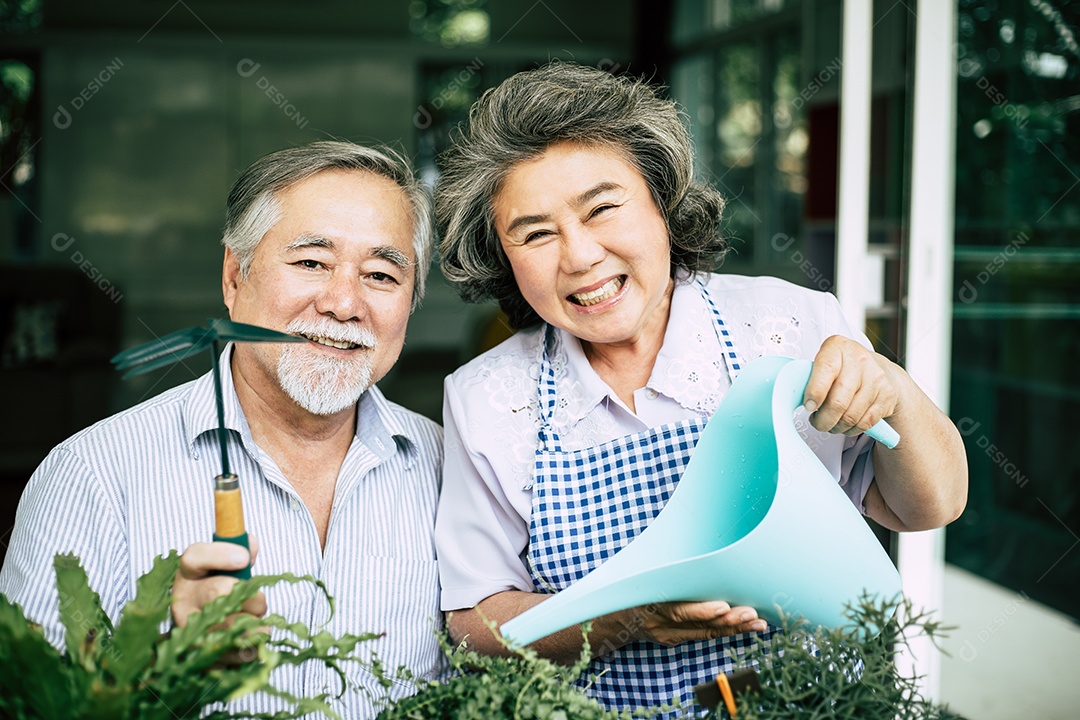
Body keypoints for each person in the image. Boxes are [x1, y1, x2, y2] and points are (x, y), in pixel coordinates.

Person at [433, 62, 968, 714]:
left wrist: (890, 385)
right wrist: (625, 618)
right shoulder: (485, 397)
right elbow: (474, 618)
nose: (578, 256)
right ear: (504, 257)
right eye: (536, 232)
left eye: (602, 208)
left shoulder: (792, 324)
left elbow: (929, 506)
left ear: (662, 201)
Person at [0, 141, 443, 718]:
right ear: (236, 278)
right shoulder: (91, 474)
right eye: (311, 262)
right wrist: (167, 664)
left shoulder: (455, 471)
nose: (343, 302)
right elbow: (25, 703)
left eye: (382, 274)